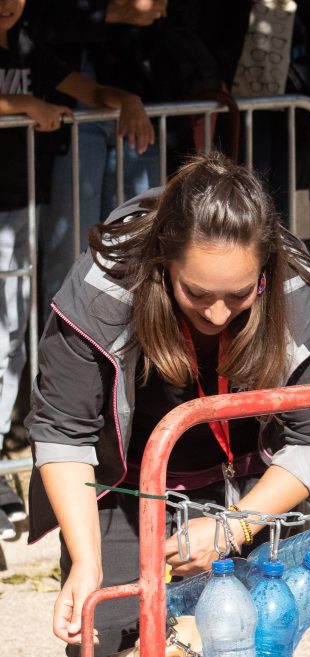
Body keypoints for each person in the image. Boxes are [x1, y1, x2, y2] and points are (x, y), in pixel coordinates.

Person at [25, 152, 310, 657]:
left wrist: (234, 526)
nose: (216, 314)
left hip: (243, 482)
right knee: (104, 626)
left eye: (238, 297)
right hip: (122, 478)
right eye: (198, 294)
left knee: (232, 640)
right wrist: (83, 560)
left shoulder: (299, 296)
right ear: (162, 263)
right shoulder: (101, 289)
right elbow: (65, 431)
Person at [0, 0, 154, 540]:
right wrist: (17, 103)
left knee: (12, 337)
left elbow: (88, 92)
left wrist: (127, 99)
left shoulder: (23, 48)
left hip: (19, 206)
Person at [30, 0, 226, 325]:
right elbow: (33, 20)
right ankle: (64, 357)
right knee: (69, 254)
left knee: (136, 246)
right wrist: (113, 12)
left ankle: (129, 357)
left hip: (143, 103)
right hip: (71, 104)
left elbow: (181, 21)